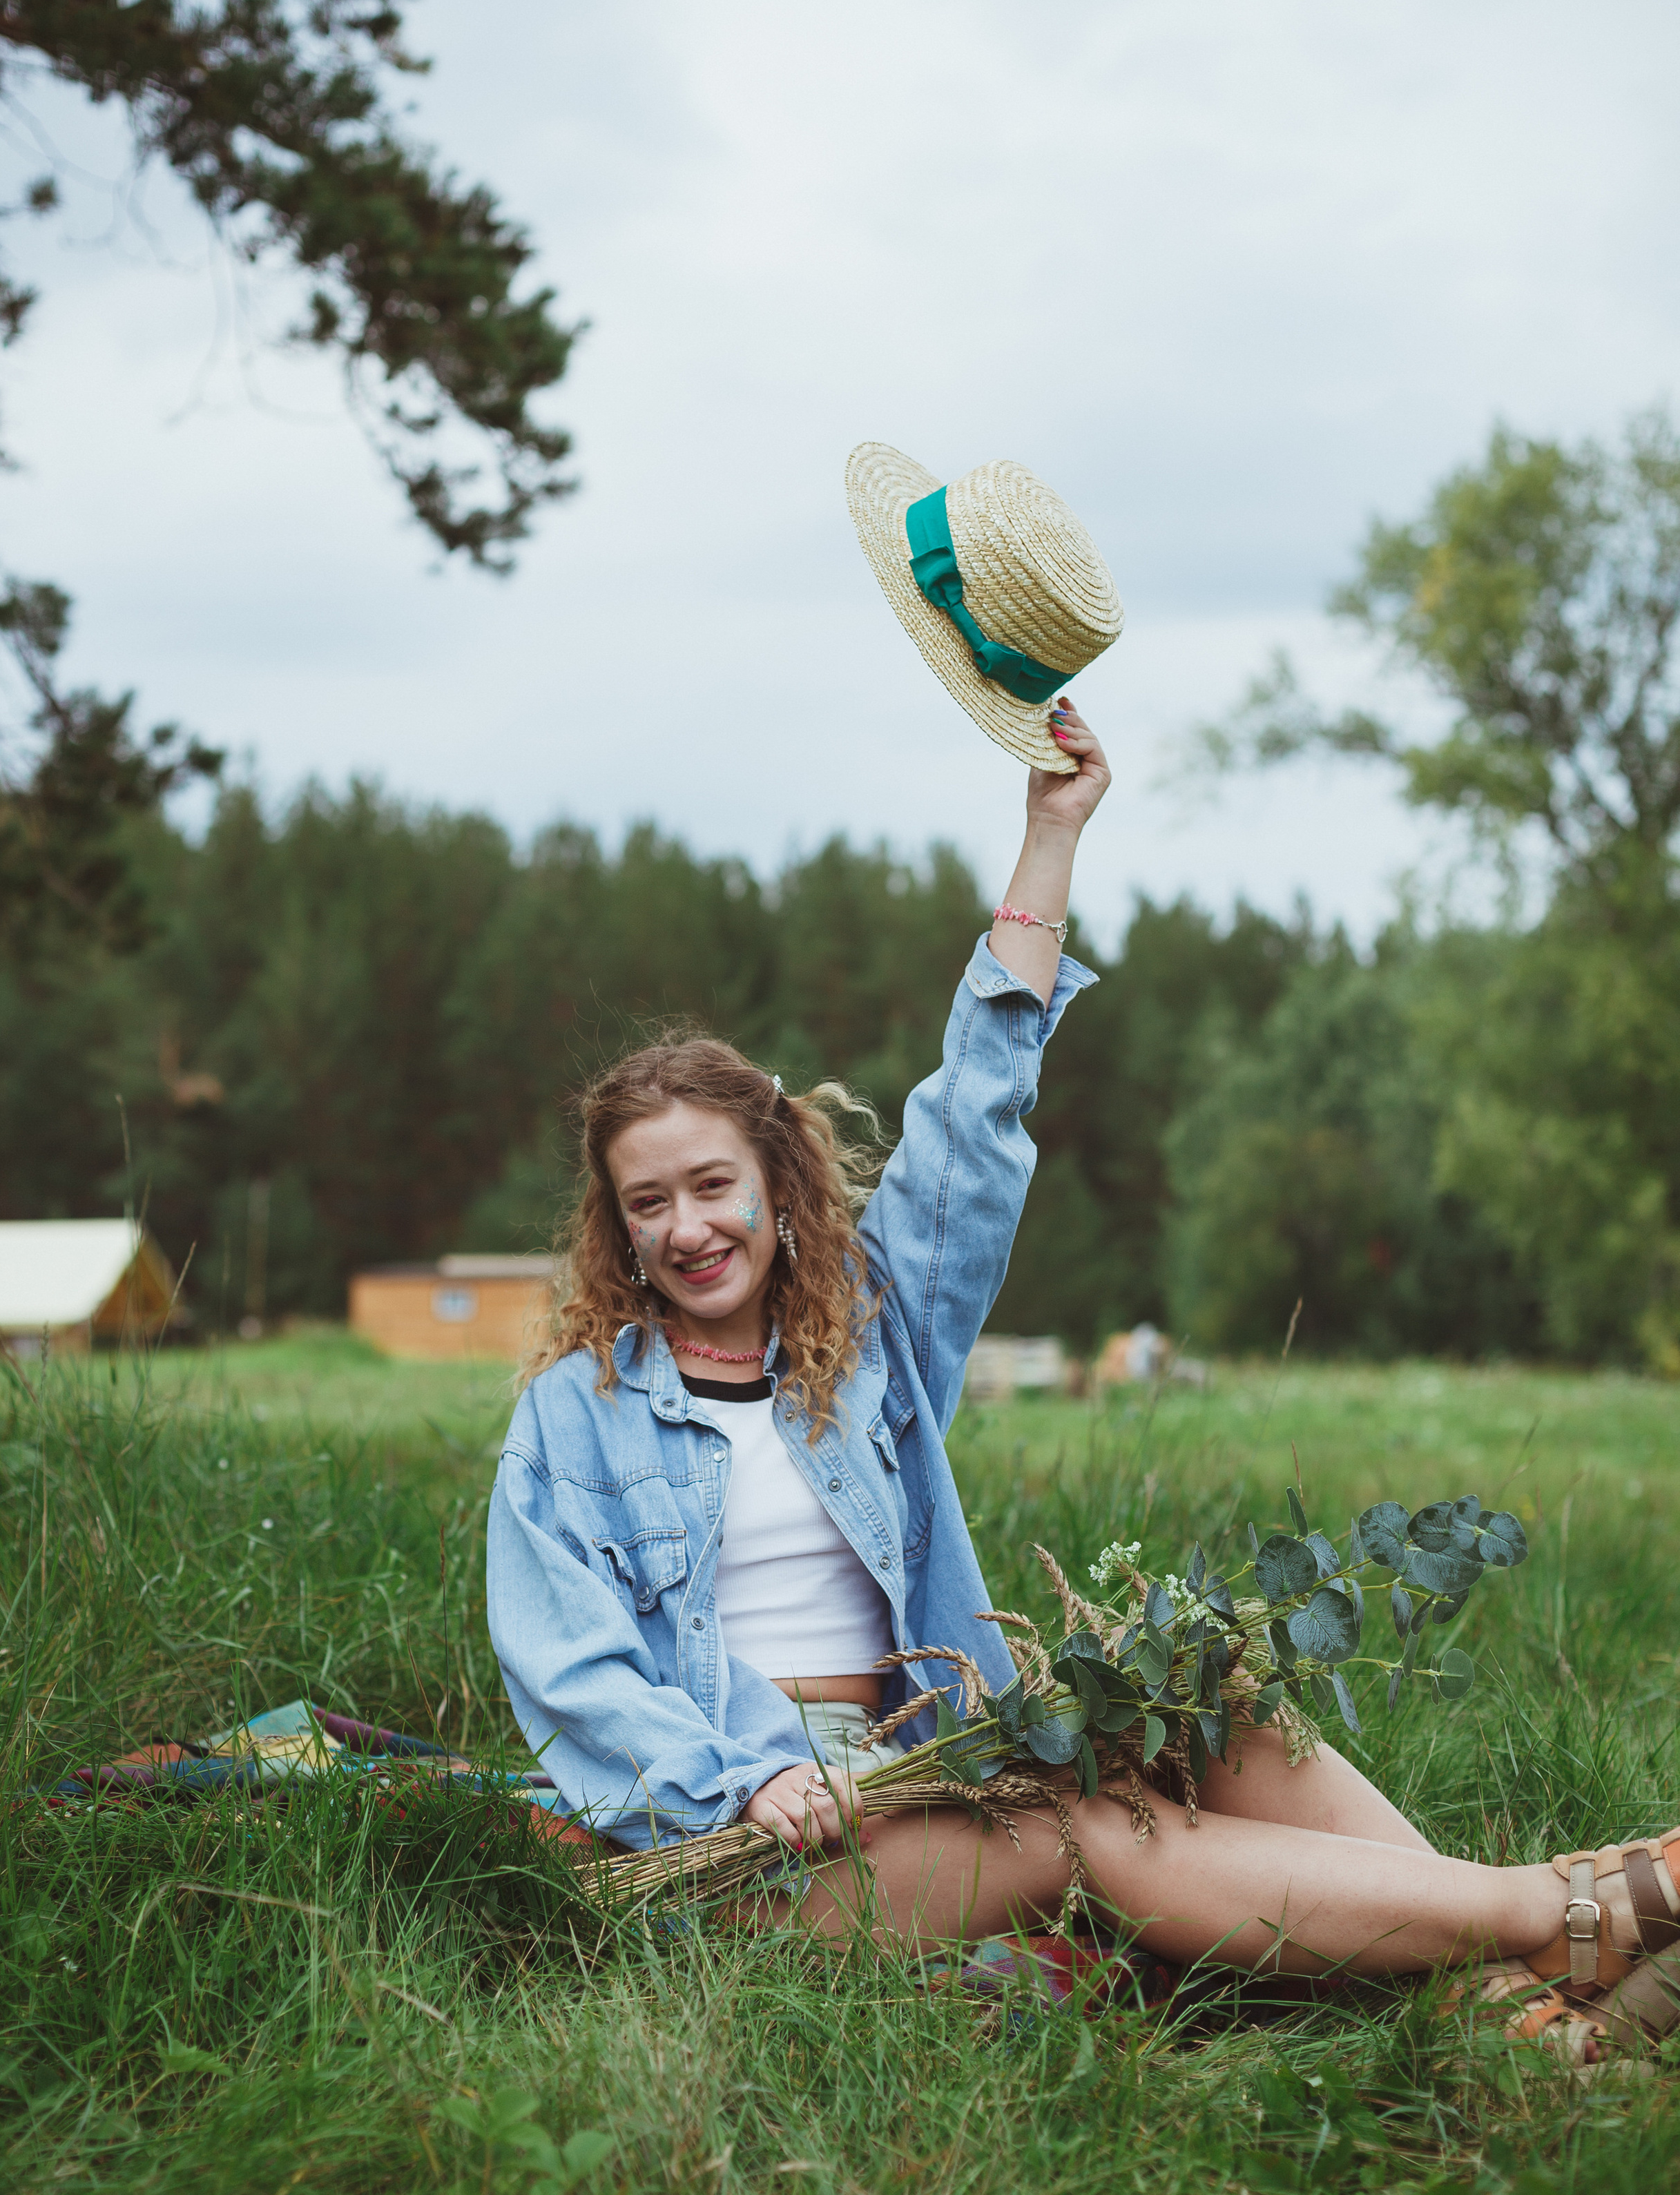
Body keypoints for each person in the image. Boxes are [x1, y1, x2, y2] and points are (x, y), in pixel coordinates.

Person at [486, 702, 1680, 2059]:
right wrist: (747, 1774)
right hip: (738, 1856)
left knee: (1205, 1705)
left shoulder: (867, 1344)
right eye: (648, 1203)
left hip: (922, 1771)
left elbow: (972, 1119)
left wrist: (1049, 832)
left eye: (712, 1185)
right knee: (1084, 1827)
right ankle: (1561, 1914)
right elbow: (571, 1669)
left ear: (778, 1187)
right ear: (615, 1228)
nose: (685, 1226)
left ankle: (1508, 2020)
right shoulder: (571, 1417)